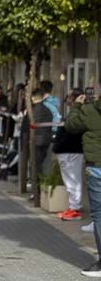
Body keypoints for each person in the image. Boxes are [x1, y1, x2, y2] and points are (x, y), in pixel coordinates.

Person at [65, 90, 101, 277]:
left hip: (97, 168)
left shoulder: (89, 110)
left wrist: (76, 106)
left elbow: (71, 125)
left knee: (100, 215)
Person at [54, 88, 85, 221]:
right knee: (70, 179)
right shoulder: (73, 112)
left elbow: (72, 129)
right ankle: (73, 206)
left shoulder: (78, 113)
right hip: (68, 150)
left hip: (71, 150)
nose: (67, 99)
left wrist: (59, 145)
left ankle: (75, 208)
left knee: (73, 179)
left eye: (69, 97)